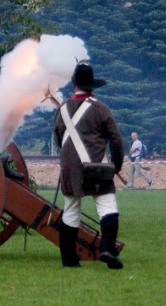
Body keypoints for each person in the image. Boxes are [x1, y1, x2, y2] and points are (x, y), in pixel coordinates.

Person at [53, 61, 124, 269]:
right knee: (107, 207)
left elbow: (58, 138)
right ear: (92, 85)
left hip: (70, 168)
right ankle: (107, 250)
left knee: (71, 210)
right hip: (96, 168)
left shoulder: (63, 109)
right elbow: (116, 140)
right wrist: (117, 165)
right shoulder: (101, 109)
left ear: (74, 84)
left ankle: (69, 260)